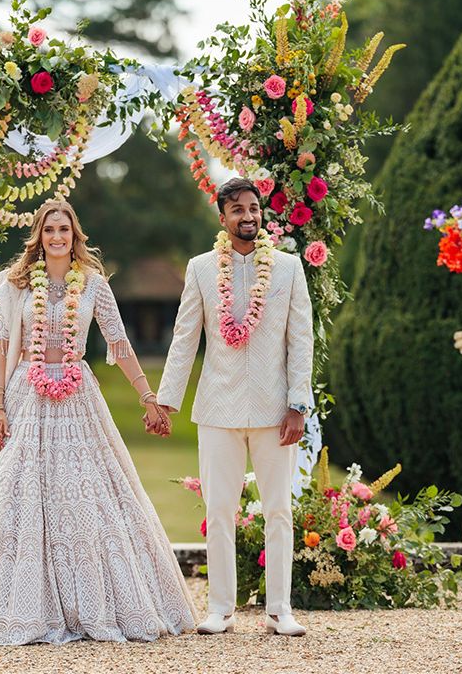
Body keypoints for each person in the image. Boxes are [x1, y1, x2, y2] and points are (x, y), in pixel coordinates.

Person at [0, 199, 196, 645]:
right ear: (39, 237)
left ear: (74, 234)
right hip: (25, 394)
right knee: (12, 492)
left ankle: (94, 605)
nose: (57, 237)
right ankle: (15, 608)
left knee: (83, 494)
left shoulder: (95, 285)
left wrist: (147, 395)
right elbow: (2, 345)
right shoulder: (17, 284)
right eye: (49, 230)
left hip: (78, 397)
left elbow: (119, 343)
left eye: (64, 229)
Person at [155, 177, 313, 636]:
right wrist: (166, 401)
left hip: (275, 409)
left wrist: (298, 404)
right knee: (220, 510)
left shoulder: (288, 268)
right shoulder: (201, 269)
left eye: (254, 208)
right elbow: (184, 339)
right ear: (222, 217)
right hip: (217, 407)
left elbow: (301, 341)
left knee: (278, 510)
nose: (248, 216)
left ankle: (279, 609)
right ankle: (220, 609)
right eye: (238, 209)